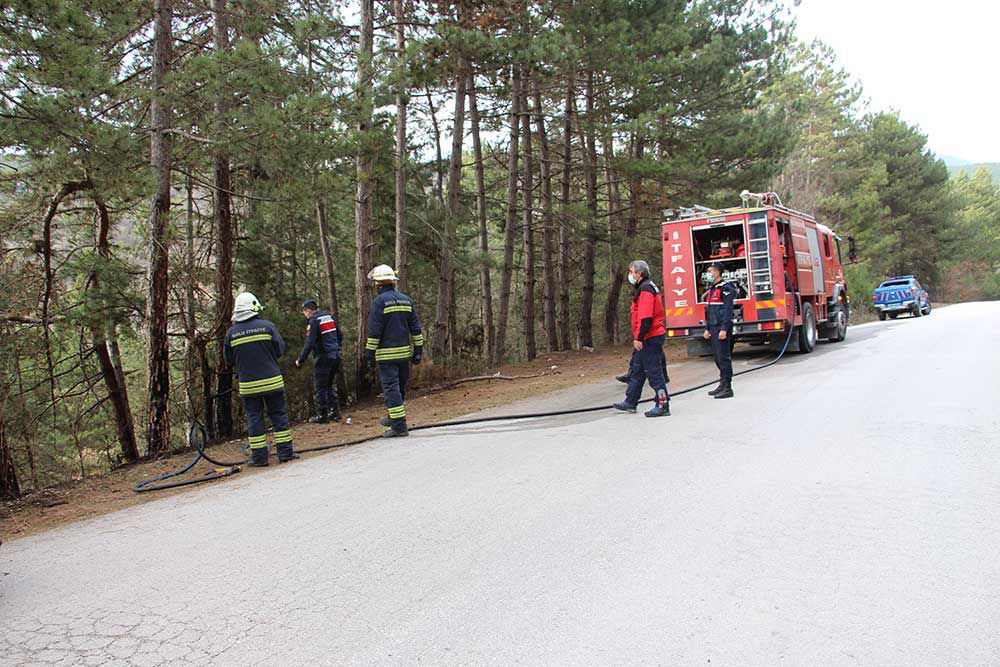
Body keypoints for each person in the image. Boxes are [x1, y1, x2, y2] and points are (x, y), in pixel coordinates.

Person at [223, 292, 297, 466]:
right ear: (254, 307)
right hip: (272, 381)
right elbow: (279, 349)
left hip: (248, 385)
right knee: (278, 415)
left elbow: (228, 360)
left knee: (254, 418)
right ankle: (285, 453)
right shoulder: (268, 326)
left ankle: (259, 458)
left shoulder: (231, 333)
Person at [365, 264, 424, 437]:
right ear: (393, 282)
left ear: (378, 284)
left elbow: (375, 331)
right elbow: (415, 328)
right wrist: (418, 349)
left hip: (386, 355)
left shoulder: (379, 302)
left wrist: (369, 354)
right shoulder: (406, 299)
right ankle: (394, 416)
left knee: (391, 389)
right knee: (399, 388)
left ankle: (399, 426)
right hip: (404, 354)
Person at [613, 260, 670, 417]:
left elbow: (645, 317)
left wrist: (639, 337)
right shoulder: (644, 287)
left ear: (639, 274)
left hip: (649, 337)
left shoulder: (646, 289)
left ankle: (663, 404)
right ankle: (631, 401)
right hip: (647, 336)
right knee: (637, 370)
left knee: (653, 371)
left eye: (631, 272)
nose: (630, 275)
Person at [295, 299, 343, 423]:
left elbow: (309, 342)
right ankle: (335, 412)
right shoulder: (329, 317)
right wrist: (337, 348)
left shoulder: (314, 321)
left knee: (320, 387)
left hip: (323, 357)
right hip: (335, 355)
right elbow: (340, 335)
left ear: (308, 311)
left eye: (304, 312)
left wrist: (301, 359)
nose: (305, 315)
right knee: (329, 385)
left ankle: (322, 415)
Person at [702, 261, 736, 399]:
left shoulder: (726, 288)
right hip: (713, 327)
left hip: (722, 328)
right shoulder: (712, 289)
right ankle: (722, 384)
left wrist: (724, 329)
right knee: (717, 357)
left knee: (724, 358)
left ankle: (727, 387)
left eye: (710, 271)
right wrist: (707, 328)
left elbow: (728, 311)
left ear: (717, 272)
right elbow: (709, 311)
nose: (708, 274)